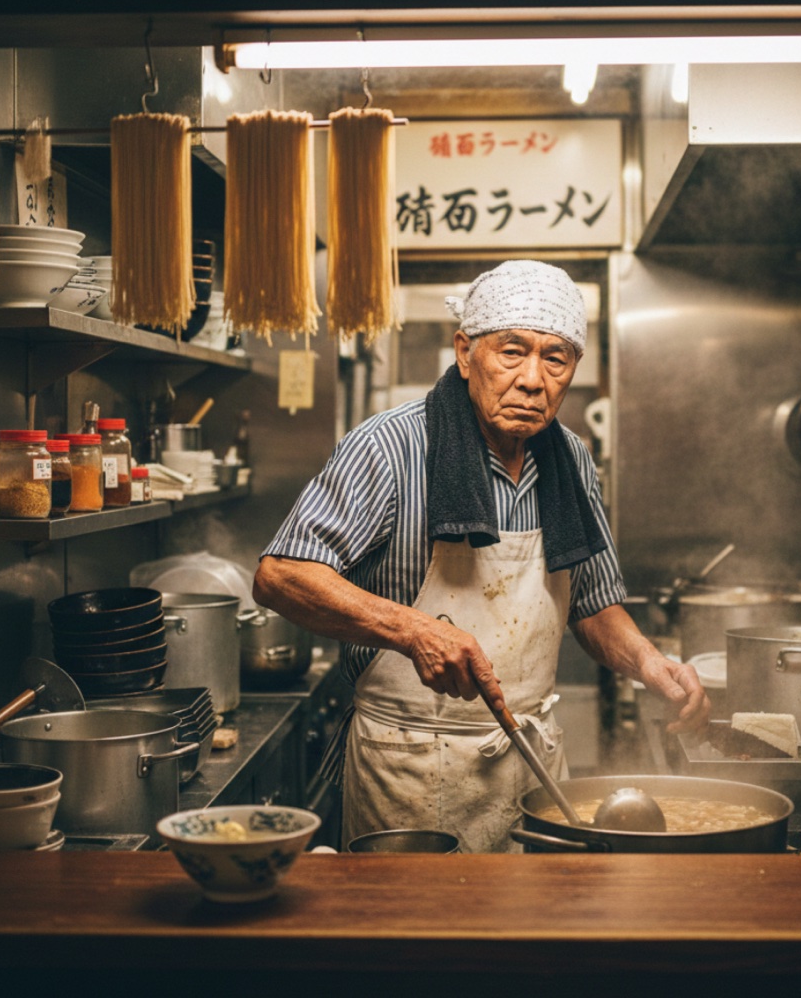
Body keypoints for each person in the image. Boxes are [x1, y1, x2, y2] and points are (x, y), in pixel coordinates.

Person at [253, 259, 710, 852]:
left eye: (556, 358)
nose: (532, 379)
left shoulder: (570, 461)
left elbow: (593, 605)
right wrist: (414, 630)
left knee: (533, 933)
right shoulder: (390, 448)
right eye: (512, 352)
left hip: (532, 760)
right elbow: (281, 574)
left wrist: (651, 663)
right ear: (465, 352)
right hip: (410, 766)